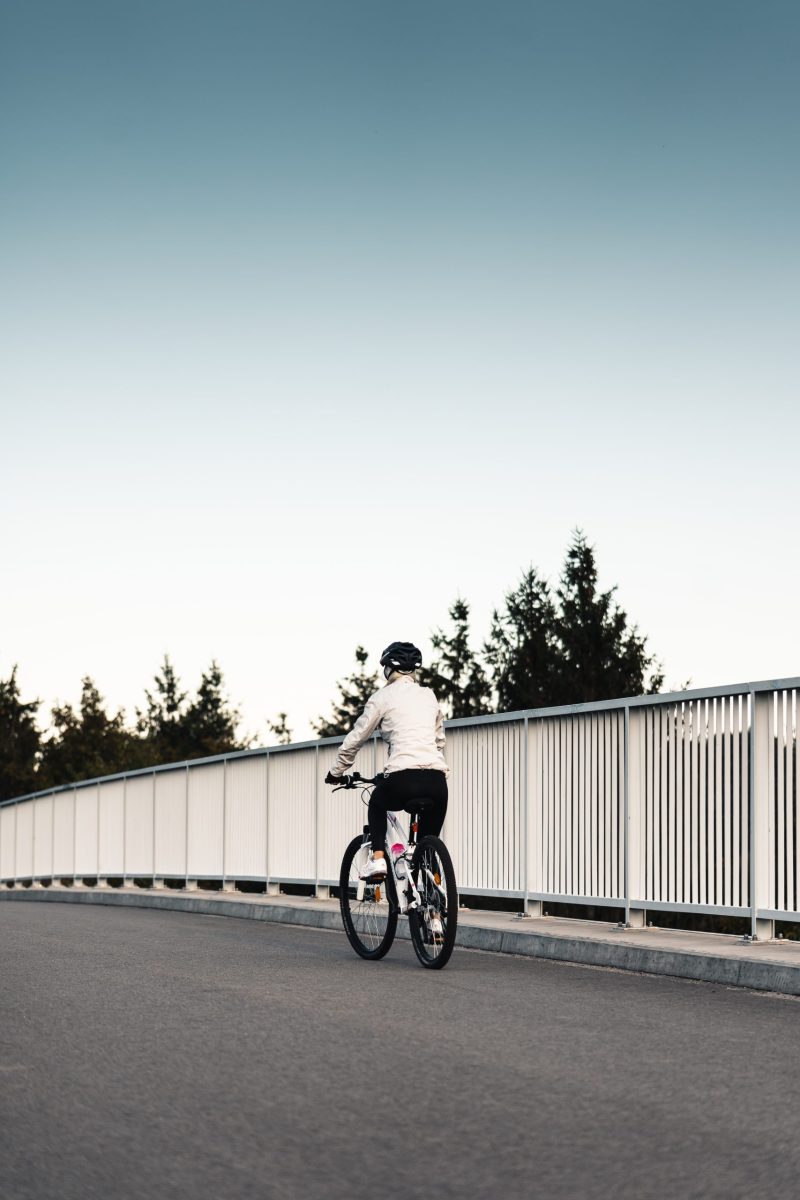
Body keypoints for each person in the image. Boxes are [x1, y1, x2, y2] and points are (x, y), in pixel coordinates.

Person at [324, 641, 448, 881]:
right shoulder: (428, 695)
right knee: (428, 848)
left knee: (378, 802)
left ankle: (378, 858)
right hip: (436, 781)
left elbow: (357, 738)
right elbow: (439, 741)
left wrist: (336, 771)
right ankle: (434, 913)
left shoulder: (382, 697)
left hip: (402, 778)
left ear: (389, 669)